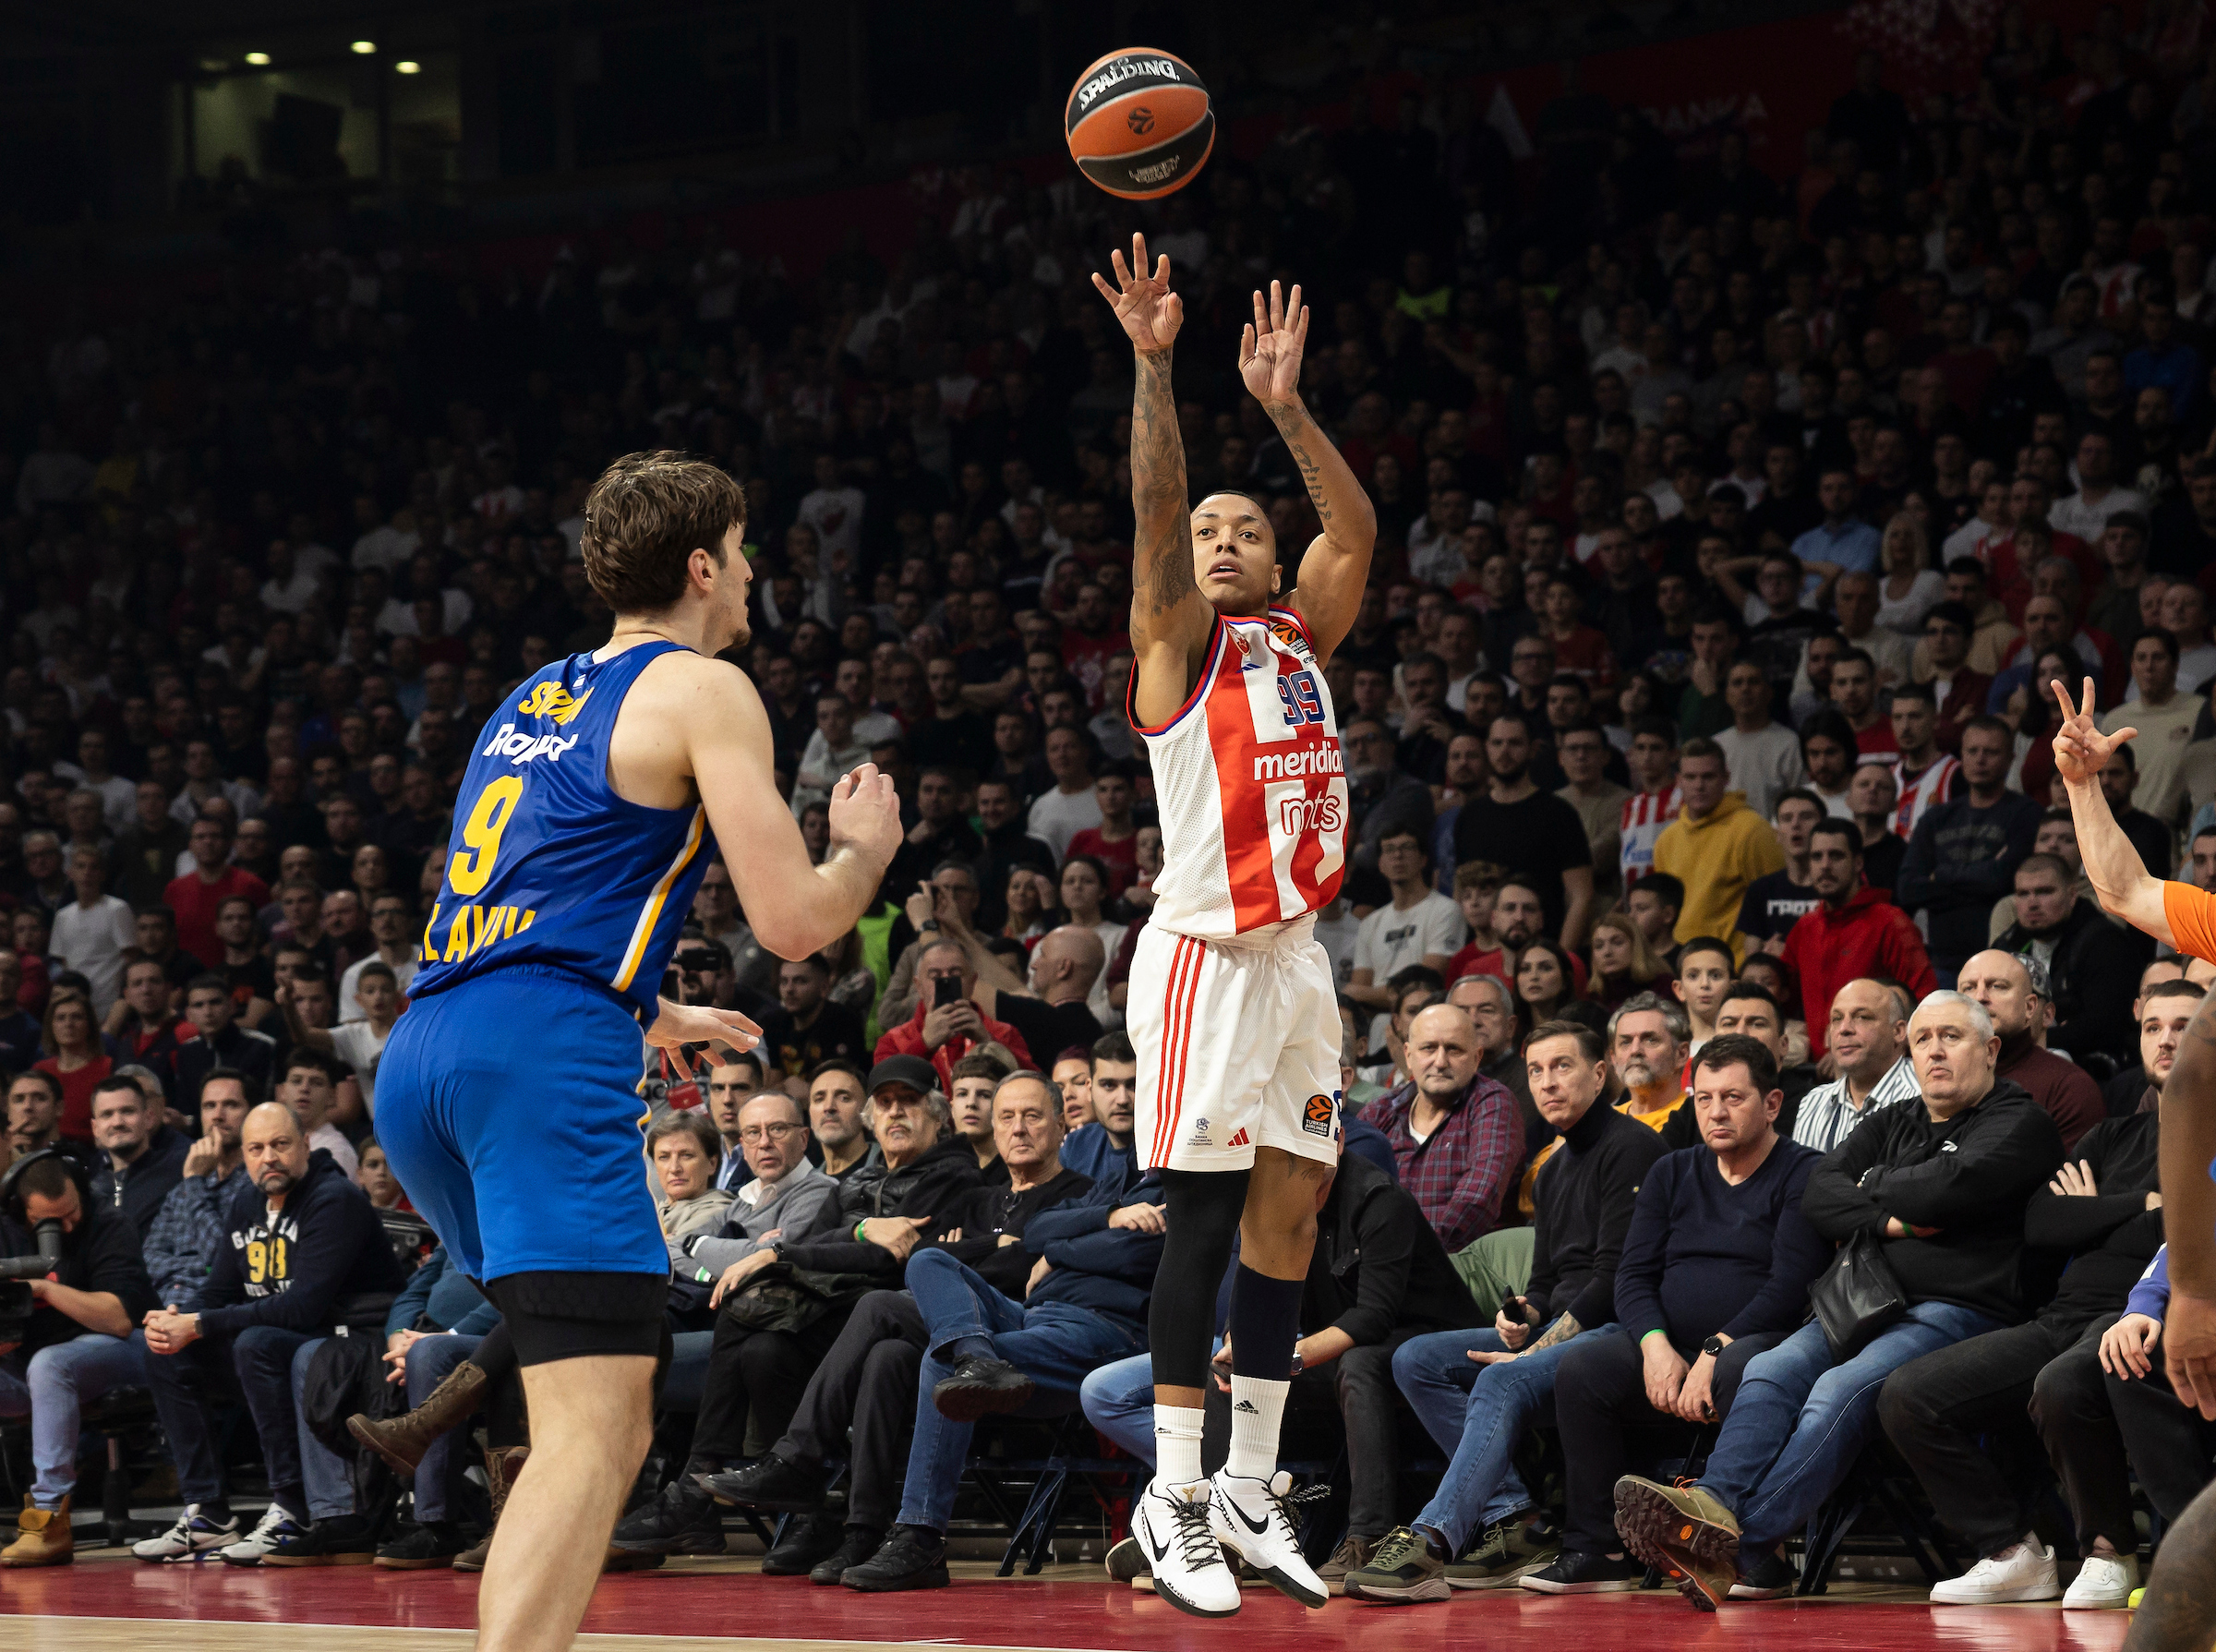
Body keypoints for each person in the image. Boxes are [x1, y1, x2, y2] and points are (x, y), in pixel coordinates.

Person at [369, 451, 902, 1652]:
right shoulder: (705, 686)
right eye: (748, 545)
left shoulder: (528, 701)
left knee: (574, 1388)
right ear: (704, 563)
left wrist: (658, 1014)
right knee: (605, 1422)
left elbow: (523, 905)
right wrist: (864, 849)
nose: (759, 569)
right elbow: (793, 923)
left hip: (427, 1050)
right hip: (535, 1061)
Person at [1092, 244, 1377, 1616]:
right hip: (1206, 951)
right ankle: (1173, 1493)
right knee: (1200, 1221)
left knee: (1291, 1218)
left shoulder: (1306, 632)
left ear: (1272, 558)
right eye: (1207, 532)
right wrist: (1156, 365)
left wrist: (1284, 410)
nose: (1218, 541)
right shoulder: (1175, 644)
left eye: (1241, 529)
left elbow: (1358, 533)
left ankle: (1255, 1488)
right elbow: (1152, 520)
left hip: (1298, 965)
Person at [1613, 992, 2065, 1610]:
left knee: (1836, 1391)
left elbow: (1951, 1189)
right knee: (1769, 1365)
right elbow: (1821, 1195)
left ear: (1989, 1049)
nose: (1934, 1048)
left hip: (1959, 1305)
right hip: (1862, 1298)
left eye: (1953, 1036)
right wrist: (1895, 1216)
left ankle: (1734, 1549)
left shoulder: (2019, 1122)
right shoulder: (1893, 1120)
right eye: (1924, 1036)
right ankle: (1710, 1503)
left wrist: (1875, 1186)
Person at [634, 1070, 1085, 1574]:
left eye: (1031, 1117)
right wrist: (969, 1250)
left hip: (1009, 1332)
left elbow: (934, 1260)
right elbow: (932, 1257)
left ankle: (795, 1465)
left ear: (1062, 1123)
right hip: (935, 1330)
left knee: (875, 1308)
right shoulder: (981, 1197)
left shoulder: (1070, 1193)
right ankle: (860, 1530)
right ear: (995, 1132)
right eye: (1008, 1118)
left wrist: (959, 1255)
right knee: (873, 1353)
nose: (1018, 1129)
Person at [1877, 979, 2183, 1606]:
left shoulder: (2205, 1144)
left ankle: (2110, 1550)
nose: (2167, 1039)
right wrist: (2145, 1203)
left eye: (2184, 1025)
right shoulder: (2112, 1136)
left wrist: (2097, 1208)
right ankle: (2010, 1551)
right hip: (2062, 1311)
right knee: (1908, 1394)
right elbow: (2043, 1223)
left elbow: (2185, 1228)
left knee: (2065, 1381)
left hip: (2142, 1313)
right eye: (2154, 1026)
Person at [1343, 1019, 1668, 1602]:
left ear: (1600, 1074)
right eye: (1537, 1070)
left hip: (1621, 1329)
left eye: (1563, 1067)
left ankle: (1432, 1538)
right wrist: (1522, 1315)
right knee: (1416, 1358)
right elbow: (1546, 1280)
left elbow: (1615, 1278)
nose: (1547, 1083)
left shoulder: (1633, 1147)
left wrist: (1538, 1345)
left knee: (1500, 1378)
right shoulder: (1553, 1167)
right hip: (1563, 1329)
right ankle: (1512, 1516)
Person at [609, 1055, 981, 1554]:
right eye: (886, 1104)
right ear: (871, 1116)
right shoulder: (860, 1182)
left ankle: (707, 1487)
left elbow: (888, 1260)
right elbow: (831, 1239)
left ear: (939, 1114)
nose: (896, 1114)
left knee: (746, 1303)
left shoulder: (954, 1178)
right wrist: (854, 1232)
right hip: (835, 1317)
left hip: (889, 1321)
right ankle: (805, 1508)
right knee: (762, 1351)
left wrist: (785, 1250)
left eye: (909, 1103)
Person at [1531, 1036, 1829, 1595]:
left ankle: (1756, 1555)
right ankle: (1596, 1550)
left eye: (1733, 1097)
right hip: (1670, 1343)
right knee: (1583, 1369)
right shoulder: (1672, 1171)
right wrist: (1654, 1345)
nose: (1716, 1112)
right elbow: (1633, 1275)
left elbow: (1789, 1286)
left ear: (1772, 1104)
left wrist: (1714, 1349)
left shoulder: (1803, 1171)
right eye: (1704, 1098)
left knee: (1749, 1367)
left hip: (1756, 1339)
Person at [132, 1102, 407, 1565]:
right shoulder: (247, 1201)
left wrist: (198, 1324)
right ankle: (208, 1515)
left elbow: (303, 1307)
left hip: (351, 1344)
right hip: (288, 1341)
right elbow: (219, 1289)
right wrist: (178, 1319)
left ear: (305, 1145)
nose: (269, 1158)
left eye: (280, 1145)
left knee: (256, 1344)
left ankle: (293, 1508)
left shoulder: (334, 1199)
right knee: (165, 1351)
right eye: (256, 1149)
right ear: (243, 1155)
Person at [0, 1150, 159, 1567]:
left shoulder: (108, 1222)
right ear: (21, 1210)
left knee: (51, 1364)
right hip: (28, 1366)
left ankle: (50, 1515)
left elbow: (119, 1319)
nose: (66, 1226)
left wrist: (45, 1289)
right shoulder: (5, 1229)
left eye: (71, 1213)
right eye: (49, 1221)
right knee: (43, 1368)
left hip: (123, 1349)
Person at [1360, 1005, 1524, 1250]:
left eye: (1454, 1049)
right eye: (1428, 1048)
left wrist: (1417, 1258)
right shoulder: (1380, 1111)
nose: (1440, 1061)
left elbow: (1478, 1200)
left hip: (1462, 1268)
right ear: (1408, 1055)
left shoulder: (1492, 1103)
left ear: (1477, 1057)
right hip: (1381, 1263)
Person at [1896, 717, 2043, 982]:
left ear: (2010, 759)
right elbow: (1908, 889)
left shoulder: (2026, 814)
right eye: (1972, 751)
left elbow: (2006, 880)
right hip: (1942, 960)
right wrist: (1983, 875)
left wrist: (1939, 876)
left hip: (2003, 958)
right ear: (1961, 756)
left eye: (1991, 752)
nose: (1981, 759)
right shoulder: (1936, 818)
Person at [1778, 820, 1938, 1057]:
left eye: (1836, 856)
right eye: (1816, 857)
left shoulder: (1890, 922)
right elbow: (1781, 998)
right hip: (1817, 1077)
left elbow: (1925, 1002)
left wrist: (1850, 1053)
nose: (1825, 866)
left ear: (1858, 863)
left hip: (1879, 1071)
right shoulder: (1805, 927)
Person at [1455, 714, 1596, 951]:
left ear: (1532, 749)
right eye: (1497, 743)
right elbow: (1460, 891)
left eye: (1515, 743)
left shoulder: (1559, 813)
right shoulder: (1470, 816)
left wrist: (1560, 958)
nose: (1505, 751)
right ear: (1487, 747)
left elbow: (1581, 896)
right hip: (1483, 955)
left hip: (1543, 950)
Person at [1992, 852, 2145, 1063]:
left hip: (2094, 1065)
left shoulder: (2105, 943)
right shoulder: (2007, 945)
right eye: (2023, 894)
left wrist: (2024, 1038)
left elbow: (2103, 1028)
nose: (2032, 903)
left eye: (2044, 892)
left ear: (2072, 895)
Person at [1650, 740, 1785, 966]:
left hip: (1734, 966)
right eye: (1691, 778)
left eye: (1708, 777)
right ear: (1679, 781)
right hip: (1680, 966)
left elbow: (1777, 902)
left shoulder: (1751, 830)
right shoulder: (1666, 840)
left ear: (1726, 778)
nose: (1699, 785)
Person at [1955, 950, 2108, 1150]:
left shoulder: (2068, 1088)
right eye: (1969, 988)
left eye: (1997, 986)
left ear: (2030, 1007)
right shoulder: (1936, 1078)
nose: (1980, 997)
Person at [1792, 979, 1920, 1153]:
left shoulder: (1925, 1095)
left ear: (1898, 1032)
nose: (1844, 1029)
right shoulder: (1813, 1103)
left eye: (1861, 1017)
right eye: (1836, 1019)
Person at [86, 1072, 187, 1239]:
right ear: (95, 1128)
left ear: (148, 1118)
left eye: (127, 1111)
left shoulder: (179, 1172)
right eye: (107, 1115)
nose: (117, 1122)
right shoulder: (87, 1184)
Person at [1733, 790, 1823, 956]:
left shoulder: (1836, 890)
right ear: (1777, 834)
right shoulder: (1760, 890)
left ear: (1823, 829)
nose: (1796, 824)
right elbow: (1752, 959)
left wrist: (1789, 953)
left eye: (1806, 817)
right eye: (1787, 818)